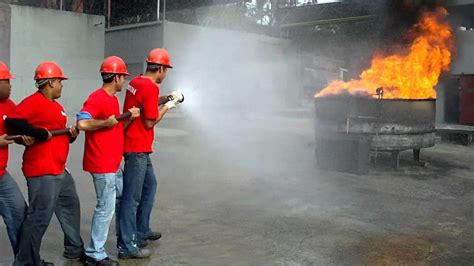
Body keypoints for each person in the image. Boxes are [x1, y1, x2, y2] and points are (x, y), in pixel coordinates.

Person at [7, 61, 84, 266]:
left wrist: (72, 135)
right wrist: (37, 133)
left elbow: (60, 137)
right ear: (50, 82)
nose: (61, 85)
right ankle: (25, 262)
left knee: (70, 206)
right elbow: (12, 121)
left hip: (59, 168)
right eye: (60, 81)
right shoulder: (33, 102)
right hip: (42, 171)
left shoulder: (57, 108)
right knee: (38, 217)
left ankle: (74, 249)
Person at [117, 48, 181, 259]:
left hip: (136, 147)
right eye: (166, 70)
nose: (166, 74)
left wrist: (169, 97)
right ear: (161, 68)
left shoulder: (136, 81)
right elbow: (150, 121)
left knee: (149, 185)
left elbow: (146, 102)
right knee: (131, 197)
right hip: (137, 148)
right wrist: (168, 107)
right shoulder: (150, 88)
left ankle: (141, 229)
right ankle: (127, 245)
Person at [76, 56, 140, 266]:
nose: (125, 81)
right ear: (116, 77)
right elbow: (82, 123)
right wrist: (105, 122)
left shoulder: (112, 100)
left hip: (113, 164)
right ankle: (95, 253)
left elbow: (114, 128)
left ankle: (124, 243)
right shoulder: (97, 97)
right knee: (105, 207)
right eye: (123, 77)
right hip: (102, 165)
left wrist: (128, 119)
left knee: (118, 202)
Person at [0, 61, 32, 257]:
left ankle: (25, 261)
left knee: (19, 211)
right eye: (6, 81)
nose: (11, 86)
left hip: (1, 175)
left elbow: (15, 131)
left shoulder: (9, 106)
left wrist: (23, 139)